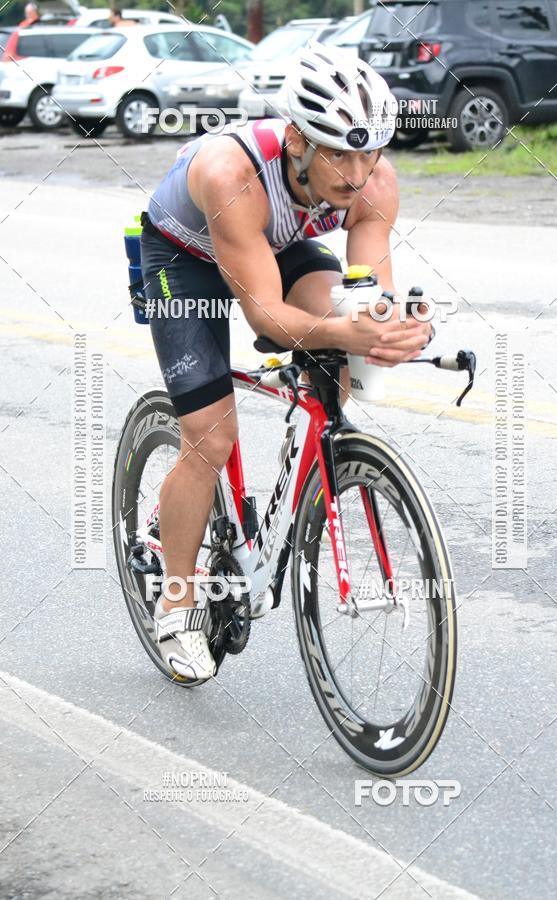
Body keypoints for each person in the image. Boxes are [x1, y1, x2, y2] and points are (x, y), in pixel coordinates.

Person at [140, 42, 433, 681]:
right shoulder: (231, 172)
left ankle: (288, 488)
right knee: (210, 438)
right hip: (184, 259)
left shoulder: (374, 180)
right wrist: (342, 329)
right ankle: (177, 595)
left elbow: (367, 298)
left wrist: (389, 328)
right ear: (298, 139)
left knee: (348, 351)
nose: (357, 173)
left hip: (274, 247)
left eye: (370, 150)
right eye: (340, 152)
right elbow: (264, 316)